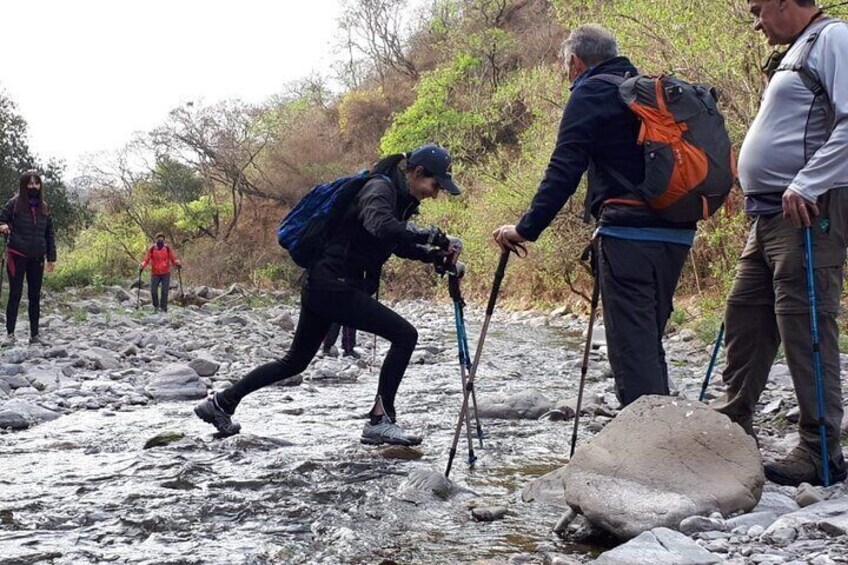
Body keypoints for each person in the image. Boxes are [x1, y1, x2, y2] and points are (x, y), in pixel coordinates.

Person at [195, 144, 463, 445]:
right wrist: (431, 236)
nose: (435, 192)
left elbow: (395, 243)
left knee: (294, 362)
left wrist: (433, 256)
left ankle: (220, 404)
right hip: (334, 285)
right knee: (405, 336)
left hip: (323, 284)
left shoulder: (398, 197)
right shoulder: (380, 188)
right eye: (435, 184)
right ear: (416, 173)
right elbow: (381, 227)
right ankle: (380, 420)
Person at [493, 24, 696, 407]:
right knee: (647, 338)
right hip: (678, 232)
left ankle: (648, 448)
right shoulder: (648, 91)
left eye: (564, 66)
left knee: (632, 347)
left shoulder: (590, 92)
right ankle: (664, 430)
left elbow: (563, 170)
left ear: (574, 61)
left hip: (628, 235)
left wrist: (525, 228)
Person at [714, 0, 848, 486]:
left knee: (805, 323)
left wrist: (809, 182)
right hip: (769, 213)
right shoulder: (799, 50)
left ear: (788, 2)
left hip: (808, 212)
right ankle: (734, 426)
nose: (756, 21)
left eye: (758, 8)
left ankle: (820, 452)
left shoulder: (833, 39)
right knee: (745, 314)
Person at [0, 171, 57, 345]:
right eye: (30, 184)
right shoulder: (14, 204)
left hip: (37, 256)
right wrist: (3, 225)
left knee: (35, 295)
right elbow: (2, 219)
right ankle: (10, 334)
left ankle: (35, 335)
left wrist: (51, 257)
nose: (33, 187)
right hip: (16, 254)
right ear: (24, 185)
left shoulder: (44, 207)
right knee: (15, 294)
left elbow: (49, 234)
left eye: (37, 184)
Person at [140, 233, 181, 313]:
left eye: (162, 239)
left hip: (165, 273)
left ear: (164, 240)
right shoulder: (152, 249)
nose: (160, 241)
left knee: (164, 291)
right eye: (158, 239)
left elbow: (173, 259)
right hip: (155, 273)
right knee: (153, 291)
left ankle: (163, 308)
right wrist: (142, 265)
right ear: (156, 240)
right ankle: (156, 306)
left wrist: (177, 262)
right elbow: (147, 259)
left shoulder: (167, 249)